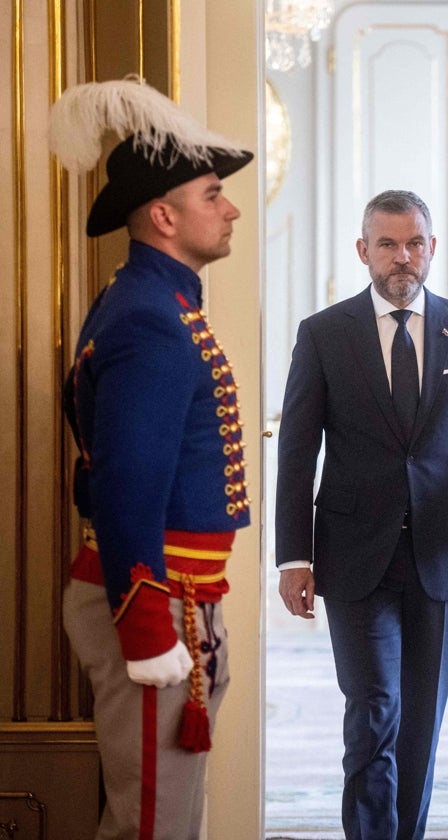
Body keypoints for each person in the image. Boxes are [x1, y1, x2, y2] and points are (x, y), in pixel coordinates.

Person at [274, 189, 448, 839]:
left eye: (414, 243)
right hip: (353, 556)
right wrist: (294, 556)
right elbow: (298, 453)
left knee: (420, 725)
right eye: (387, 244)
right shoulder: (324, 335)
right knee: (373, 709)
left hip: (441, 555)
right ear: (364, 251)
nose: (402, 257)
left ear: (432, 249)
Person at [49, 77, 254, 838]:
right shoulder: (153, 319)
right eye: (212, 195)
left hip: (177, 592)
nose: (230, 207)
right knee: (152, 827)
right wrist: (146, 626)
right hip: (154, 595)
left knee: (166, 817)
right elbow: (128, 483)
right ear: (164, 216)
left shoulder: (153, 300)